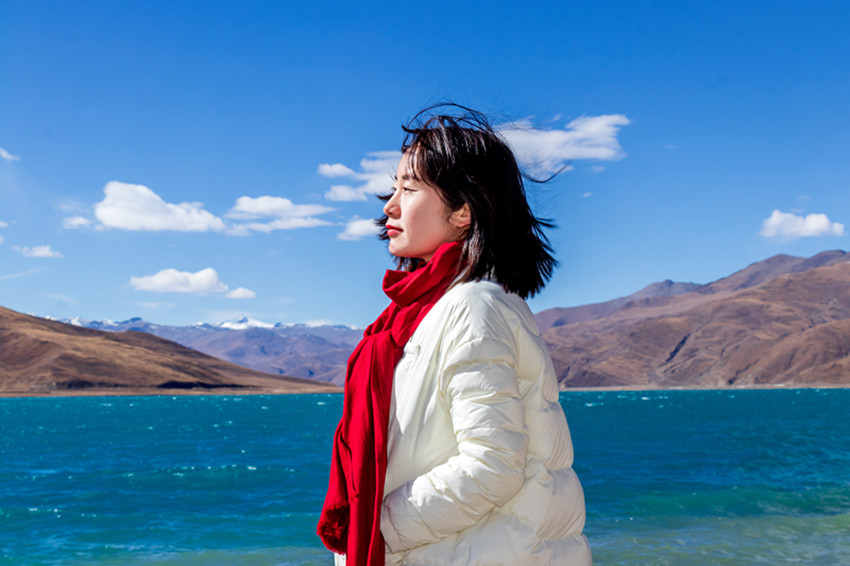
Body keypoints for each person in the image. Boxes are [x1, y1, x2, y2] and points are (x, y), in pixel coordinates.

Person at [318, 104, 591, 566]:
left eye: (409, 188)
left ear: (463, 211)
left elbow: (492, 464)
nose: (389, 205)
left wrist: (376, 530)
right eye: (393, 188)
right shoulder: (424, 315)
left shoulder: (470, 308)